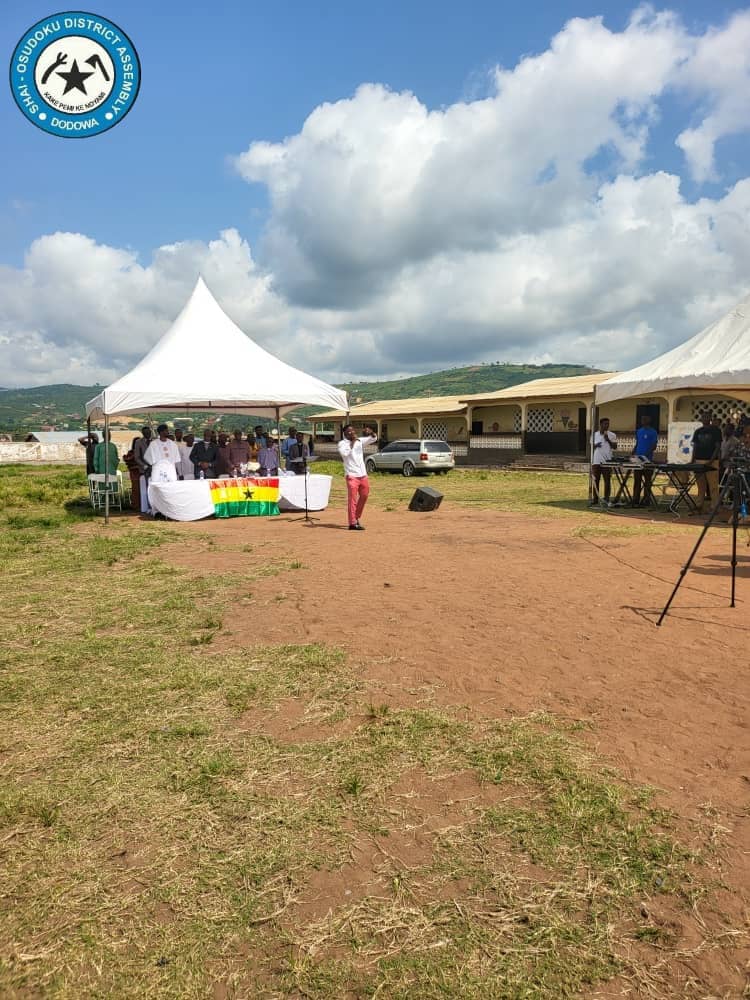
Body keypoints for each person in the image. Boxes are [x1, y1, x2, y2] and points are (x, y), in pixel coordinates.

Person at [338, 424, 378, 530]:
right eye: (350, 431)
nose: (352, 432)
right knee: (353, 499)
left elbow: (374, 438)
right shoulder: (342, 444)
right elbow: (345, 454)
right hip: (352, 475)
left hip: (363, 474)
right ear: (345, 433)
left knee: (364, 496)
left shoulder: (359, 441)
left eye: (353, 430)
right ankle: (352, 523)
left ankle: (355, 517)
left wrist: (371, 432)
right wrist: (353, 442)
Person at [691, 410, 722, 513]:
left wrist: (711, 460)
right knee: (700, 485)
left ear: (710, 418)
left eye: (707, 417)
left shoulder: (716, 431)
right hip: (698, 460)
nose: (704, 418)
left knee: (713, 485)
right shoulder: (698, 431)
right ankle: (699, 505)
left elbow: (718, 447)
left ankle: (714, 507)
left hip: (712, 461)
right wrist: (692, 460)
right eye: (703, 416)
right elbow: (695, 446)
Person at [631, 414, 659, 506]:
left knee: (647, 481)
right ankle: (635, 499)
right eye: (642, 419)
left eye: (645, 419)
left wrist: (646, 455)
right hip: (638, 460)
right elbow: (638, 443)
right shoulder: (638, 431)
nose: (643, 420)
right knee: (637, 480)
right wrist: (633, 452)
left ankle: (646, 499)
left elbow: (654, 446)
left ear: (649, 420)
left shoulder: (653, 432)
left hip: (648, 460)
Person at [590, 417, 617, 506]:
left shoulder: (612, 435)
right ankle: (595, 499)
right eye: (605, 424)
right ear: (601, 424)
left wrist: (608, 439)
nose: (607, 425)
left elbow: (614, 447)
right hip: (596, 461)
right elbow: (591, 447)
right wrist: (595, 445)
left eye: (608, 424)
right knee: (595, 480)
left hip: (607, 461)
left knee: (607, 480)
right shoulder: (595, 434)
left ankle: (606, 498)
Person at [133, 426, 153, 514]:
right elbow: (137, 457)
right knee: (148, 488)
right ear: (143, 433)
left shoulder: (155, 441)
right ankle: (149, 507)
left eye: (149, 432)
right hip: (145, 469)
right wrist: (144, 466)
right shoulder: (138, 442)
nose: (148, 434)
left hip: (156, 467)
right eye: (145, 432)